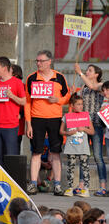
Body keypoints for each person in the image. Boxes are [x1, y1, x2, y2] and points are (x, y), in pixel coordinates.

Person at [25, 50, 70, 196]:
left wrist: (58, 100)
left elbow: (68, 96)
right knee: (36, 152)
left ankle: (57, 184)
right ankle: (33, 184)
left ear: (49, 61)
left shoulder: (59, 77)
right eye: (37, 61)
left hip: (55, 119)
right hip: (37, 118)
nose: (38, 63)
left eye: (41, 61)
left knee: (56, 152)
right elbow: (27, 102)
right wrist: (28, 124)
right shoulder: (31, 78)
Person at [74, 63, 106, 197]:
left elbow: (93, 86)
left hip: (97, 124)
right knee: (83, 155)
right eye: (86, 70)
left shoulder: (101, 85)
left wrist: (80, 73)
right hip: (84, 123)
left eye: (90, 70)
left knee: (98, 156)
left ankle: (102, 186)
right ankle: (81, 185)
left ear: (96, 74)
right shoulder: (84, 86)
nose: (87, 72)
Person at [0, 56, 26, 166]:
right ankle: (0, 182)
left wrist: (12, 96)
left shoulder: (17, 82)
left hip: (10, 125)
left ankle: (10, 182)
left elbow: (23, 101)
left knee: (11, 157)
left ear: (4, 68)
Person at [60, 93, 94, 198]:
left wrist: (84, 129)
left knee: (85, 167)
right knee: (71, 167)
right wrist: (67, 133)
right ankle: (70, 188)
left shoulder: (86, 116)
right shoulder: (67, 116)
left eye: (81, 104)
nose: (81, 106)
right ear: (72, 105)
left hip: (83, 147)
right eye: (78, 104)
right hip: (71, 147)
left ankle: (86, 189)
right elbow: (61, 131)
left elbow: (92, 131)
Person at [11, 64, 25, 153]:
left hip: (17, 120)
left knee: (15, 148)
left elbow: (27, 103)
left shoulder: (23, 86)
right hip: (7, 120)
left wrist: (21, 114)